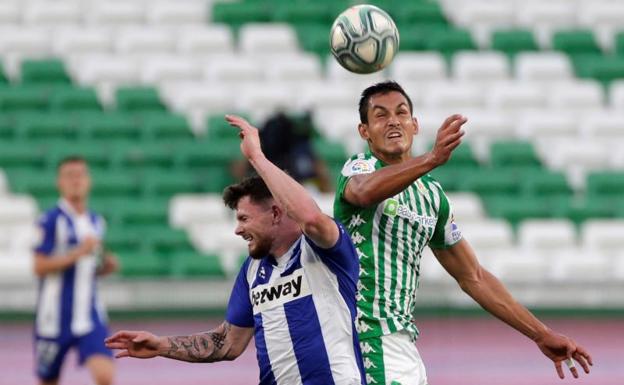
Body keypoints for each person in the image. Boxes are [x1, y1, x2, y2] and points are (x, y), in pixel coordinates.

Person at [333, 81, 593, 385]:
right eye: (380, 115)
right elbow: (363, 193)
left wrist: (540, 333)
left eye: (401, 113)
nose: (393, 121)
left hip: (402, 341)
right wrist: (431, 158)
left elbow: (473, 276)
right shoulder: (359, 168)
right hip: (365, 334)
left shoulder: (431, 196)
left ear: (414, 125)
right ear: (364, 131)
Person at [105, 114, 366, 385]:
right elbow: (227, 343)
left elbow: (310, 218)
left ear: (276, 214)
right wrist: (161, 346)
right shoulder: (252, 271)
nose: (238, 230)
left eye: (244, 218)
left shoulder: (323, 249)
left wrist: (258, 158)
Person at [33, 156, 119, 385]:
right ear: (59, 182)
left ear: (89, 181)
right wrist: (78, 252)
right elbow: (39, 266)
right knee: (48, 379)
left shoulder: (96, 221)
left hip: (89, 316)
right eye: (69, 175)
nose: (76, 181)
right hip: (53, 318)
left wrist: (105, 267)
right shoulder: (50, 220)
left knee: (105, 376)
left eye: (80, 175)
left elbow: (89, 269)